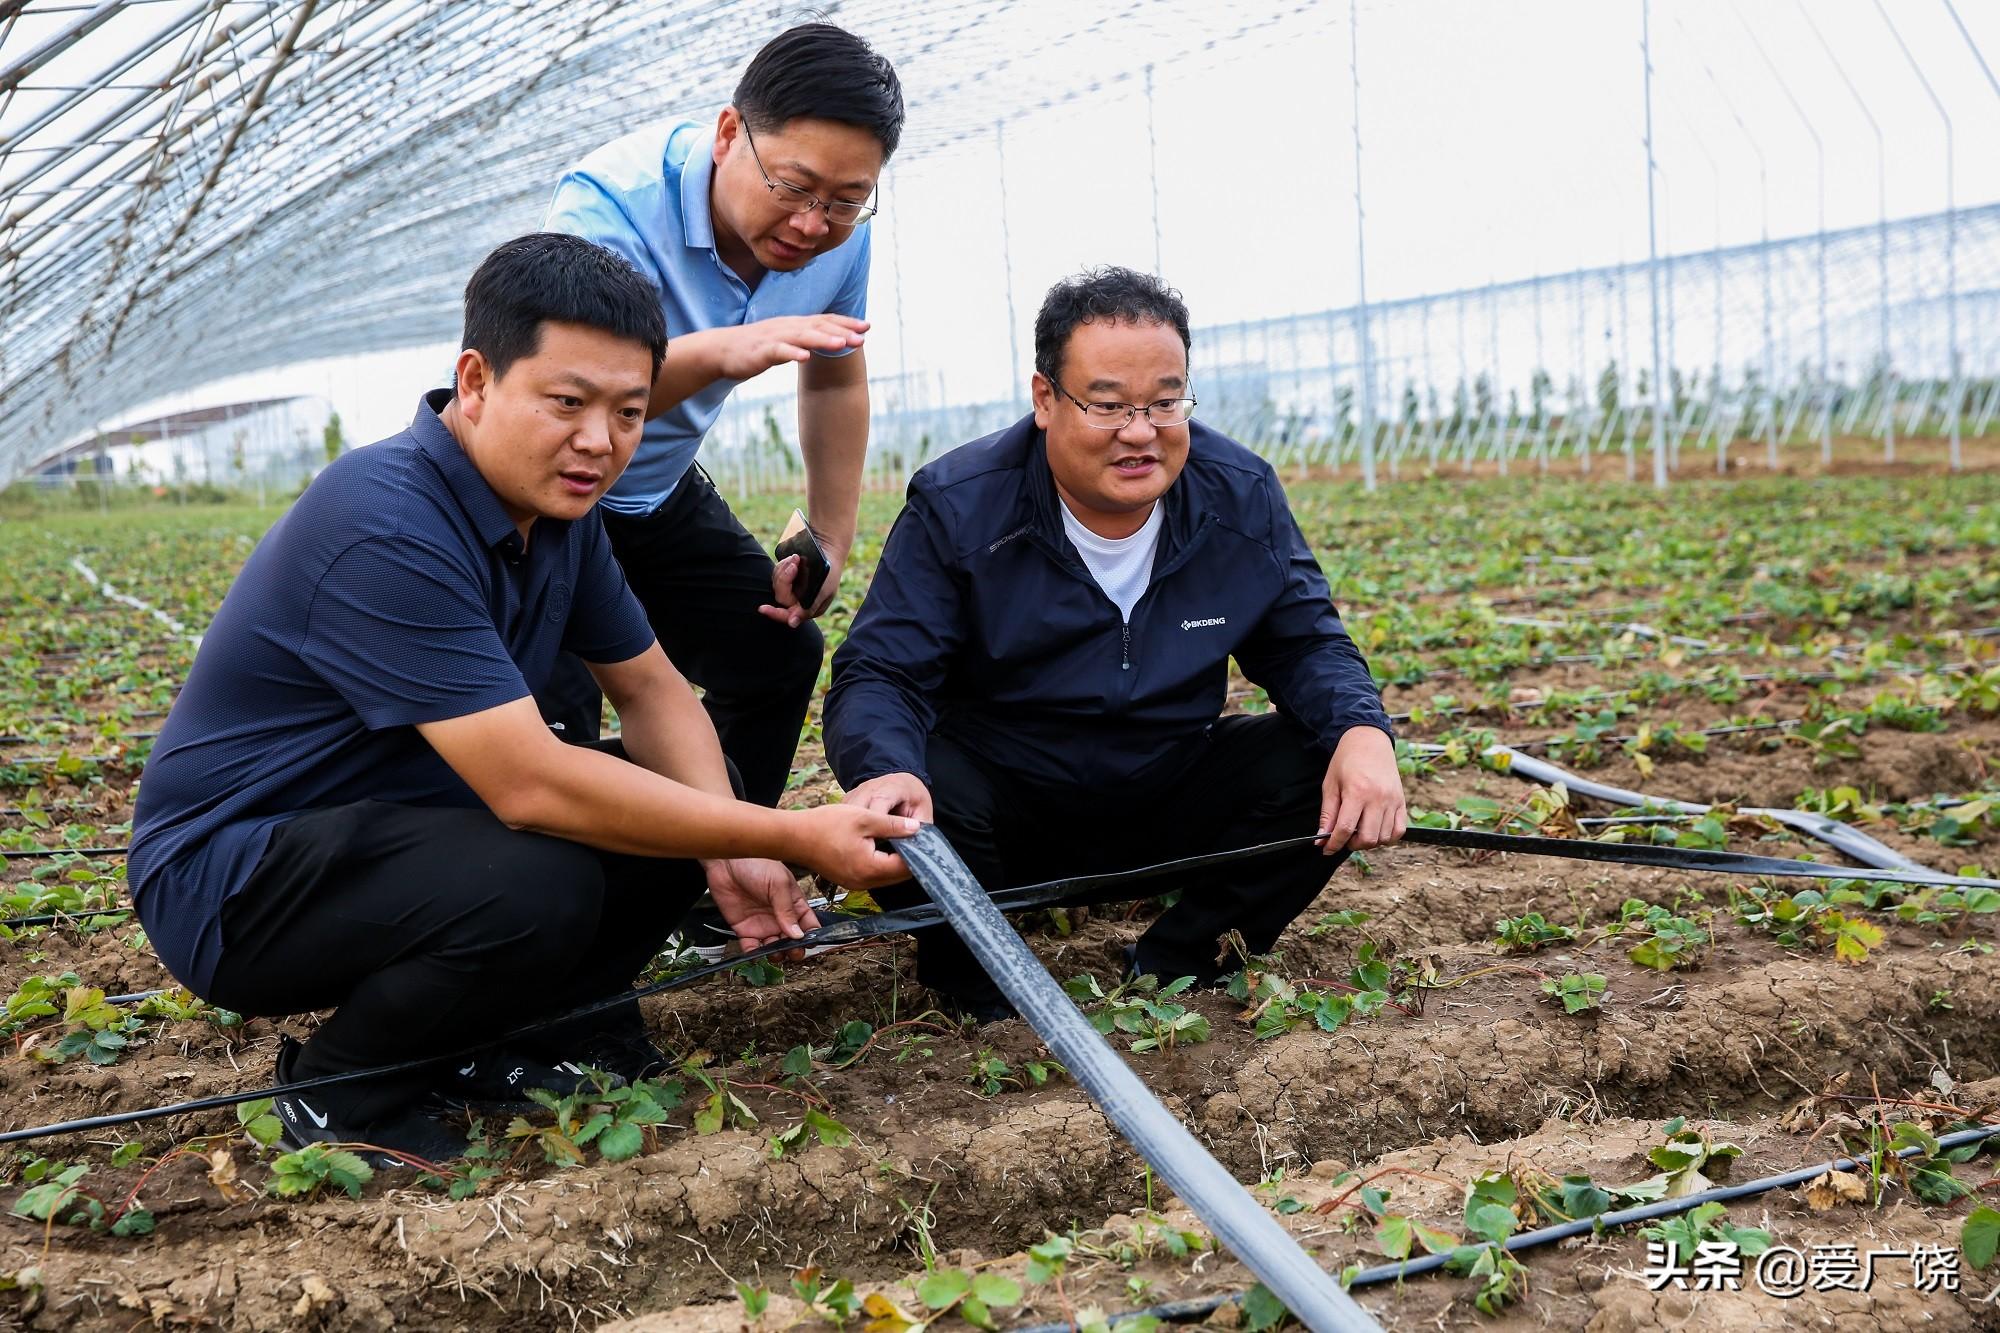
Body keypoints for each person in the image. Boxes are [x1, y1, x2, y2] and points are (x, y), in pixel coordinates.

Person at [129, 233, 916, 1164]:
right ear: (476, 381)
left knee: (691, 802)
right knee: (538, 877)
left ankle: (520, 1036)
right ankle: (342, 1089)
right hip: (235, 876)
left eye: (629, 411)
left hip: (393, 827)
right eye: (567, 402)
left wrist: (735, 831)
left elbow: (652, 687)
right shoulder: (383, 518)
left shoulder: (558, 518)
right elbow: (531, 787)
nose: (601, 441)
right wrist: (789, 835)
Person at [823, 267, 1407, 1021]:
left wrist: (1363, 729)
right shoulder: (962, 505)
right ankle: (977, 984)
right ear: (1045, 400)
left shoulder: (1239, 494)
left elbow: (1304, 643)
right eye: (1108, 405)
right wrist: (887, 768)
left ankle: (1182, 960)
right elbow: (881, 672)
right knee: (917, 787)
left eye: (1167, 402)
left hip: (1164, 786)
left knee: (1322, 757)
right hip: (1006, 810)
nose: (1141, 430)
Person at [538, 22, 902, 809]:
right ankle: (588, 891)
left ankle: (724, 869)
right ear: (730, 132)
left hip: (653, 492)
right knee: (551, 723)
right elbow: (575, 399)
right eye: (794, 187)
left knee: (777, 651)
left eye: (846, 200)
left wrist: (832, 537)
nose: (813, 223)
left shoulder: (838, 241)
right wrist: (727, 348)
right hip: (534, 499)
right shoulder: (610, 209)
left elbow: (835, 381)